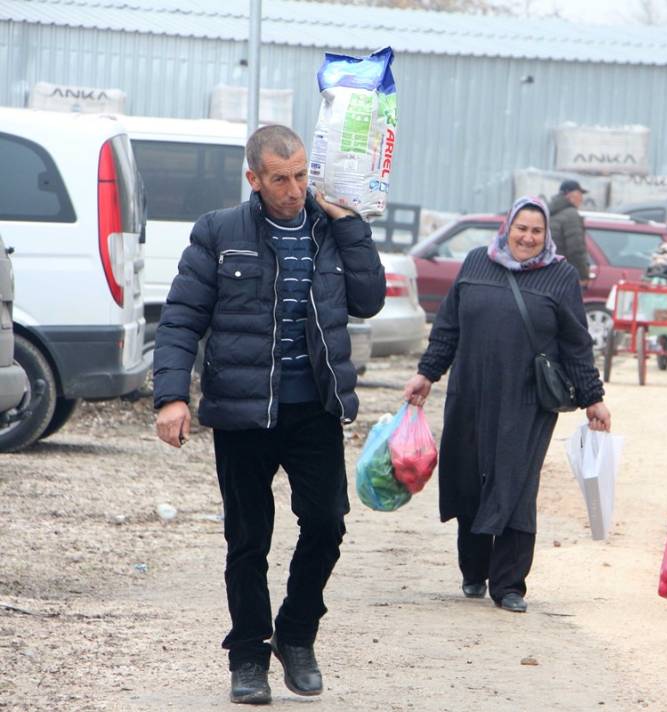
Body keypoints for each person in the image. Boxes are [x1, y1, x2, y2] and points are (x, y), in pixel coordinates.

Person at [153, 125, 386, 704]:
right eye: (280, 179)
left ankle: (296, 635)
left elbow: (368, 300)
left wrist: (351, 225)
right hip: (243, 413)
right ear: (253, 178)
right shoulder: (218, 232)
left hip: (314, 410)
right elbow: (181, 318)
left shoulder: (330, 229)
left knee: (327, 524)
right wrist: (172, 396)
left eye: (302, 175)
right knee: (248, 540)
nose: (295, 189)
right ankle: (249, 657)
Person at [403, 196, 610, 614]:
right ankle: (474, 570)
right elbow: (448, 328)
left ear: (546, 234)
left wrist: (593, 397)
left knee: (516, 483)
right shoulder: (476, 263)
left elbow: (576, 343)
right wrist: (427, 374)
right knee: (469, 477)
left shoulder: (561, 275)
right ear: (507, 228)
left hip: (527, 400)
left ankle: (509, 584)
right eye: (521, 228)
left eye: (536, 231)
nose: (528, 238)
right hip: (470, 392)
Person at [548, 179, 590, 286]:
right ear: (569, 194)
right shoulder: (571, 215)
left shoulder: (550, 212)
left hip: (548, 272)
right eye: (579, 193)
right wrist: (583, 276)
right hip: (563, 275)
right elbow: (576, 250)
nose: (581, 198)